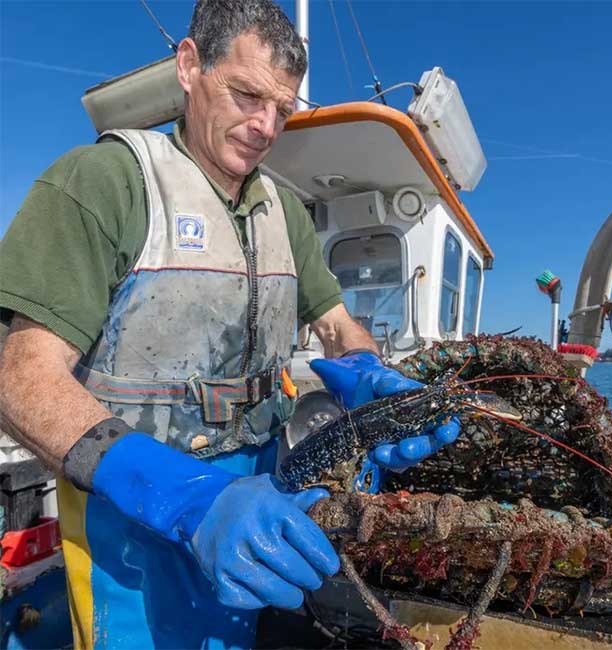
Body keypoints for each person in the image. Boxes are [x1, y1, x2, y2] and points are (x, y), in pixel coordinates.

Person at [0, 1, 460, 648]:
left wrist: (367, 373)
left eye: (283, 109)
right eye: (247, 93)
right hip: (127, 519)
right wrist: (187, 499)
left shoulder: (286, 213)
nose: (266, 125)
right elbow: (20, 379)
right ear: (189, 66)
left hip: (258, 503)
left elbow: (335, 325)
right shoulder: (105, 181)